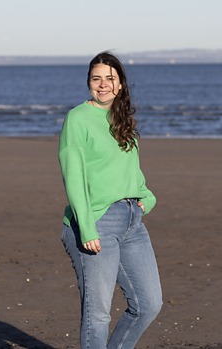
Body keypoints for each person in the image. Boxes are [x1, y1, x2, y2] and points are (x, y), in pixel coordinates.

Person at [59, 51, 162, 349]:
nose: (103, 84)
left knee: (148, 304)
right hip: (96, 222)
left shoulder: (121, 117)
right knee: (98, 315)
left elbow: (128, 166)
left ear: (120, 84)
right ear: (89, 82)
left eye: (110, 78)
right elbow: (73, 176)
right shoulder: (77, 118)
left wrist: (147, 196)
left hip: (132, 221)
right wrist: (86, 227)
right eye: (97, 79)